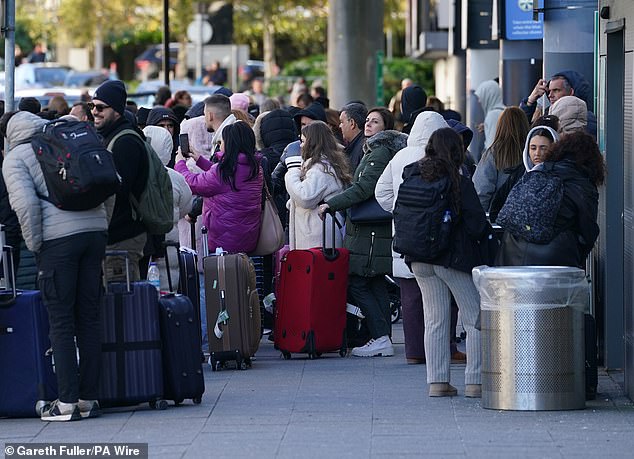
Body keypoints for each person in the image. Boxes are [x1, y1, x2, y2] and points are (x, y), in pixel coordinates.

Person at [1, 110, 108, 420]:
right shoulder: (66, 139)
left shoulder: (16, 157)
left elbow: (25, 205)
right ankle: (89, 397)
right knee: (89, 317)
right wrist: (100, 227)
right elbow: (106, 185)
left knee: (60, 322)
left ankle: (66, 402)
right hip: (95, 233)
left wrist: (37, 245)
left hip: (58, 242)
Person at [404, 128, 487, 398]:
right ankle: (475, 381)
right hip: (451, 259)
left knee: (435, 320)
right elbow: (476, 224)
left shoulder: (412, 175)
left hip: (418, 258)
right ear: (456, 151)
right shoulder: (458, 181)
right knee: (475, 317)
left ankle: (437, 382)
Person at [318, 108, 407, 358]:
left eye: (375, 121)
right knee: (375, 282)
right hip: (373, 230)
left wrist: (332, 204)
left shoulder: (378, 152)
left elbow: (364, 188)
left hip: (368, 231)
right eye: (368, 120)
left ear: (385, 127)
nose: (368, 124)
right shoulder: (377, 150)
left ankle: (379, 336)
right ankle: (383, 338)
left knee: (359, 281)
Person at [375, 111, 448, 365]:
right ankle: (441, 348)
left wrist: (398, 209)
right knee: (439, 298)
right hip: (434, 235)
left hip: (403, 232)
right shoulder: (442, 156)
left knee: (410, 297)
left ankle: (414, 351)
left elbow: (381, 192)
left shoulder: (400, 156)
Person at [496, 131, 604, 268]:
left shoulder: (537, 172)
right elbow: (588, 229)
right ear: (592, 160)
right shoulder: (581, 183)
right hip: (553, 258)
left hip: (510, 251)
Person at [174, 121, 262, 254]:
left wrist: (180, 163)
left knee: (225, 274)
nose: (220, 146)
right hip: (248, 236)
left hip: (224, 242)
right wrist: (199, 159)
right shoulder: (255, 168)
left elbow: (193, 183)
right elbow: (223, 180)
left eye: (221, 142)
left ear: (230, 144)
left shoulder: (223, 171)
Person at [92, 79, 149, 282]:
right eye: (92, 106)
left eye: (100, 107)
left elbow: (119, 190)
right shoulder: (110, 137)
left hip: (123, 236)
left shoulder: (125, 141)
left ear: (116, 109)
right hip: (115, 235)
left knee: (123, 305)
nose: (94, 111)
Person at [285, 121, 351, 250]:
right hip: (318, 230)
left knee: (317, 268)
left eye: (303, 141)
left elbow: (305, 197)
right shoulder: (326, 164)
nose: (301, 146)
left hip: (317, 233)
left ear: (312, 143)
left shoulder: (320, 168)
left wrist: (292, 172)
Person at [142, 126, 193, 290]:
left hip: (144, 247)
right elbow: (187, 206)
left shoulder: (137, 173)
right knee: (168, 297)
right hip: (169, 246)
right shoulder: (176, 178)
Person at [488, 123, 559, 223]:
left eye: (543, 148)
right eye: (533, 148)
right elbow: (499, 203)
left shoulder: (560, 175)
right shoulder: (518, 174)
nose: (537, 153)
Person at [472, 106, 529, 213]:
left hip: (498, 217)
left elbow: (481, 190)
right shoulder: (531, 151)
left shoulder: (494, 153)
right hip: (524, 216)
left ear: (501, 126)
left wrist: (480, 219)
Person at [519, 70, 596, 137]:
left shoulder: (586, 119)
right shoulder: (547, 116)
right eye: (549, 91)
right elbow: (519, 132)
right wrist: (530, 101)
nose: (550, 95)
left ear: (571, 92)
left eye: (556, 90)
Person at [474, 80, 506, 156]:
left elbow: (491, 146)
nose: (479, 101)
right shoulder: (505, 111)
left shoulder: (493, 115)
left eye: (481, 97)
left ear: (488, 96)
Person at [339, 102, 368, 172]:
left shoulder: (363, 148)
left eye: (342, 122)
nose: (340, 126)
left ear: (352, 123)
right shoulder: (358, 145)